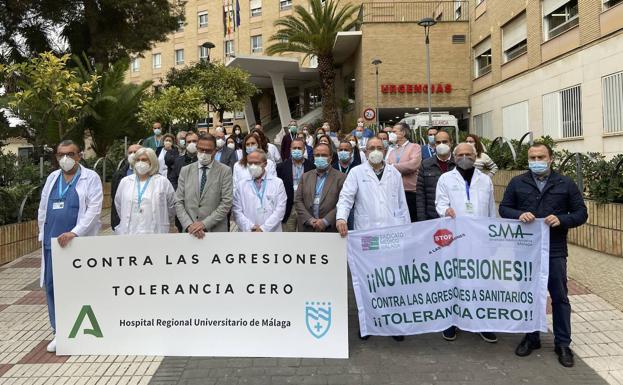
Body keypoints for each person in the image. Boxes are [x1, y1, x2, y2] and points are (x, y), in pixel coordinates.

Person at [499, 143, 587, 368]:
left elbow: (581, 213)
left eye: (540, 156)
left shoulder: (565, 183)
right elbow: (504, 209)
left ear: (551, 159)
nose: (536, 160)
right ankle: (531, 337)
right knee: (528, 295)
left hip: (555, 250)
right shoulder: (518, 182)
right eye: (532, 157)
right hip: (526, 250)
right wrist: (519, 214)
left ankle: (563, 343)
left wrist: (562, 219)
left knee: (559, 297)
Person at [336, 137, 409, 341]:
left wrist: (407, 232)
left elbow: (402, 204)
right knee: (369, 280)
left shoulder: (394, 173)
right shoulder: (357, 172)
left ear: (385, 150)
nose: (375, 151)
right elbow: (346, 197)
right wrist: (341, 217)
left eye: (379, 147)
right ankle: (367, 322)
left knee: (392, 279)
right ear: (365, 152)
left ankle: (394, 323)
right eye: (371, 148)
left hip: (392, 234)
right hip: (367, 235)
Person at [37, 140, 103, 352]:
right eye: (60, 155)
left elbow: (94, 210)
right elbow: (43, 207)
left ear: (79, 155)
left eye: (70, 154)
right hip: (52, 243)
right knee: (52, 286)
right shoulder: (52, 177)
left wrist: (75, 232)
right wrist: (42, 233)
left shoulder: (90, 177)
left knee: (78, 287)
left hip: (77, 242)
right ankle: (60, 331)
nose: (65, 159)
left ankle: (82, 329)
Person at [435, 142, 497, 344]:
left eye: (468, 154)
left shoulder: (485, 180)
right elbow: (440, 203)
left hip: (480, 239)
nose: (464, 157)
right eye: (460, 154)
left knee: (480, 279)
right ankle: (451, 322)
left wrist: (492, 236)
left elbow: (490, 210)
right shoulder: (445, 178)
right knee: (453, 279)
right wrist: (446, 210)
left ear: (475, 155)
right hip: (455, 239)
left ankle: (482, 322)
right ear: (454, 157)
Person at [175, 135, 233, 237]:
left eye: (208, 150)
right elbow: (178, 201)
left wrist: (204, 224)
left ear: (215, 151)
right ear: (196, 148)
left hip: (215, 232)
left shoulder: (225, 171)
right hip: (190, 232)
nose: (204, 153)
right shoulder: (185, 170)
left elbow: (226, 203)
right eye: (201, 150)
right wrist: (189, 225)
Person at [114, 148, 175, 234]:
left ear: (151, 161)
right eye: (137, 160)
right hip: (130, 230)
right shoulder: (125, 181)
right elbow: (119, 204)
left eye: (144, 160)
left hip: (155, 231)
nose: (140, 163)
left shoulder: (162, 181)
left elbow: (171, 206)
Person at [294, 143, 345, 232]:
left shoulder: (341, 178)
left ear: (331, 157)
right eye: (317, 155)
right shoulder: (305, 177)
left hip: (330, 229)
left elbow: (343, 203)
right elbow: (298, 200)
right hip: (307, 228)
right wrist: (310, 220)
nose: (320, 158)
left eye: (324, 155)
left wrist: (326, 221)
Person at [233, 149, 287, 232]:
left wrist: (263, 228)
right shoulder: (241, 185)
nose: (253, 166)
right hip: (249, 232)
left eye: (257, 163)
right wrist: (250, 227)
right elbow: (237, 211)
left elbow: (280, 210)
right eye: (250, 163)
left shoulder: (277, 183)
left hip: (272, 232)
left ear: (265, 164)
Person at [415, 131, 455, 221]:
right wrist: (422, 219)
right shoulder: (426, 164)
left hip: (455, 216)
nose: (441, 145)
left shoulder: (458, 164)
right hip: (432, 217)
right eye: (438, 142)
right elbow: (420, 194)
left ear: (451, 143)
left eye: (444, 142)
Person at [276, 138, 315, 232]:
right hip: (289, 208)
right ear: (290, 149)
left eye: (299, 148)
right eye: (294, 148)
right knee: (288, 240)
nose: (297, 150)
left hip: (305, 208)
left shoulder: (312, 167)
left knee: (306, 237)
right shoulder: (281, 167)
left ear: (304, 150)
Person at [386, 122, 422, 222]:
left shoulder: (415, 147)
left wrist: (393, 167)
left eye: (394, 131)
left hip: (410, 191)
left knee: (412, 220)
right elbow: (386, 167)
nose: (391, 134)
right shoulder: (392, 150)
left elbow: (413, 165)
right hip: (395, 192)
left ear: (403, 133)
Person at [111, 144, 142, 231]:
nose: (132, 154)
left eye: (135, 152)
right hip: (125, 221)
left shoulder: (155, 176)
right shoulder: (119, 175)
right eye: (130, 152)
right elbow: (115, 200)